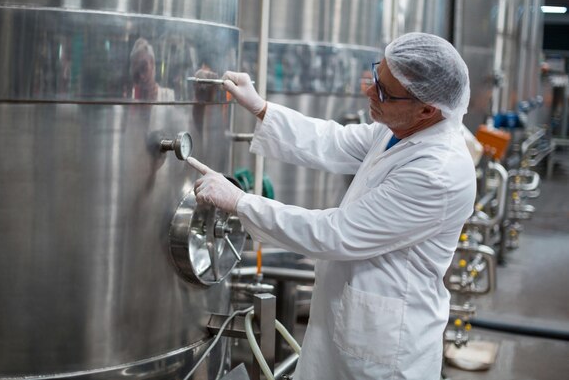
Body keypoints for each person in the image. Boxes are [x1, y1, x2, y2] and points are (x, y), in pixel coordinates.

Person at [187, 32, 476, 380]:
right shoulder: (400, 130)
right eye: (376, 76)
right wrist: (260, 108)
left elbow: (335, 234)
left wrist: (240, 202)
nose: (369, 91)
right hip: (347, 318)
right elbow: (334, 141)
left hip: (386, 346)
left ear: (427, 108)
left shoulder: (438, 172)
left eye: (383, 91)